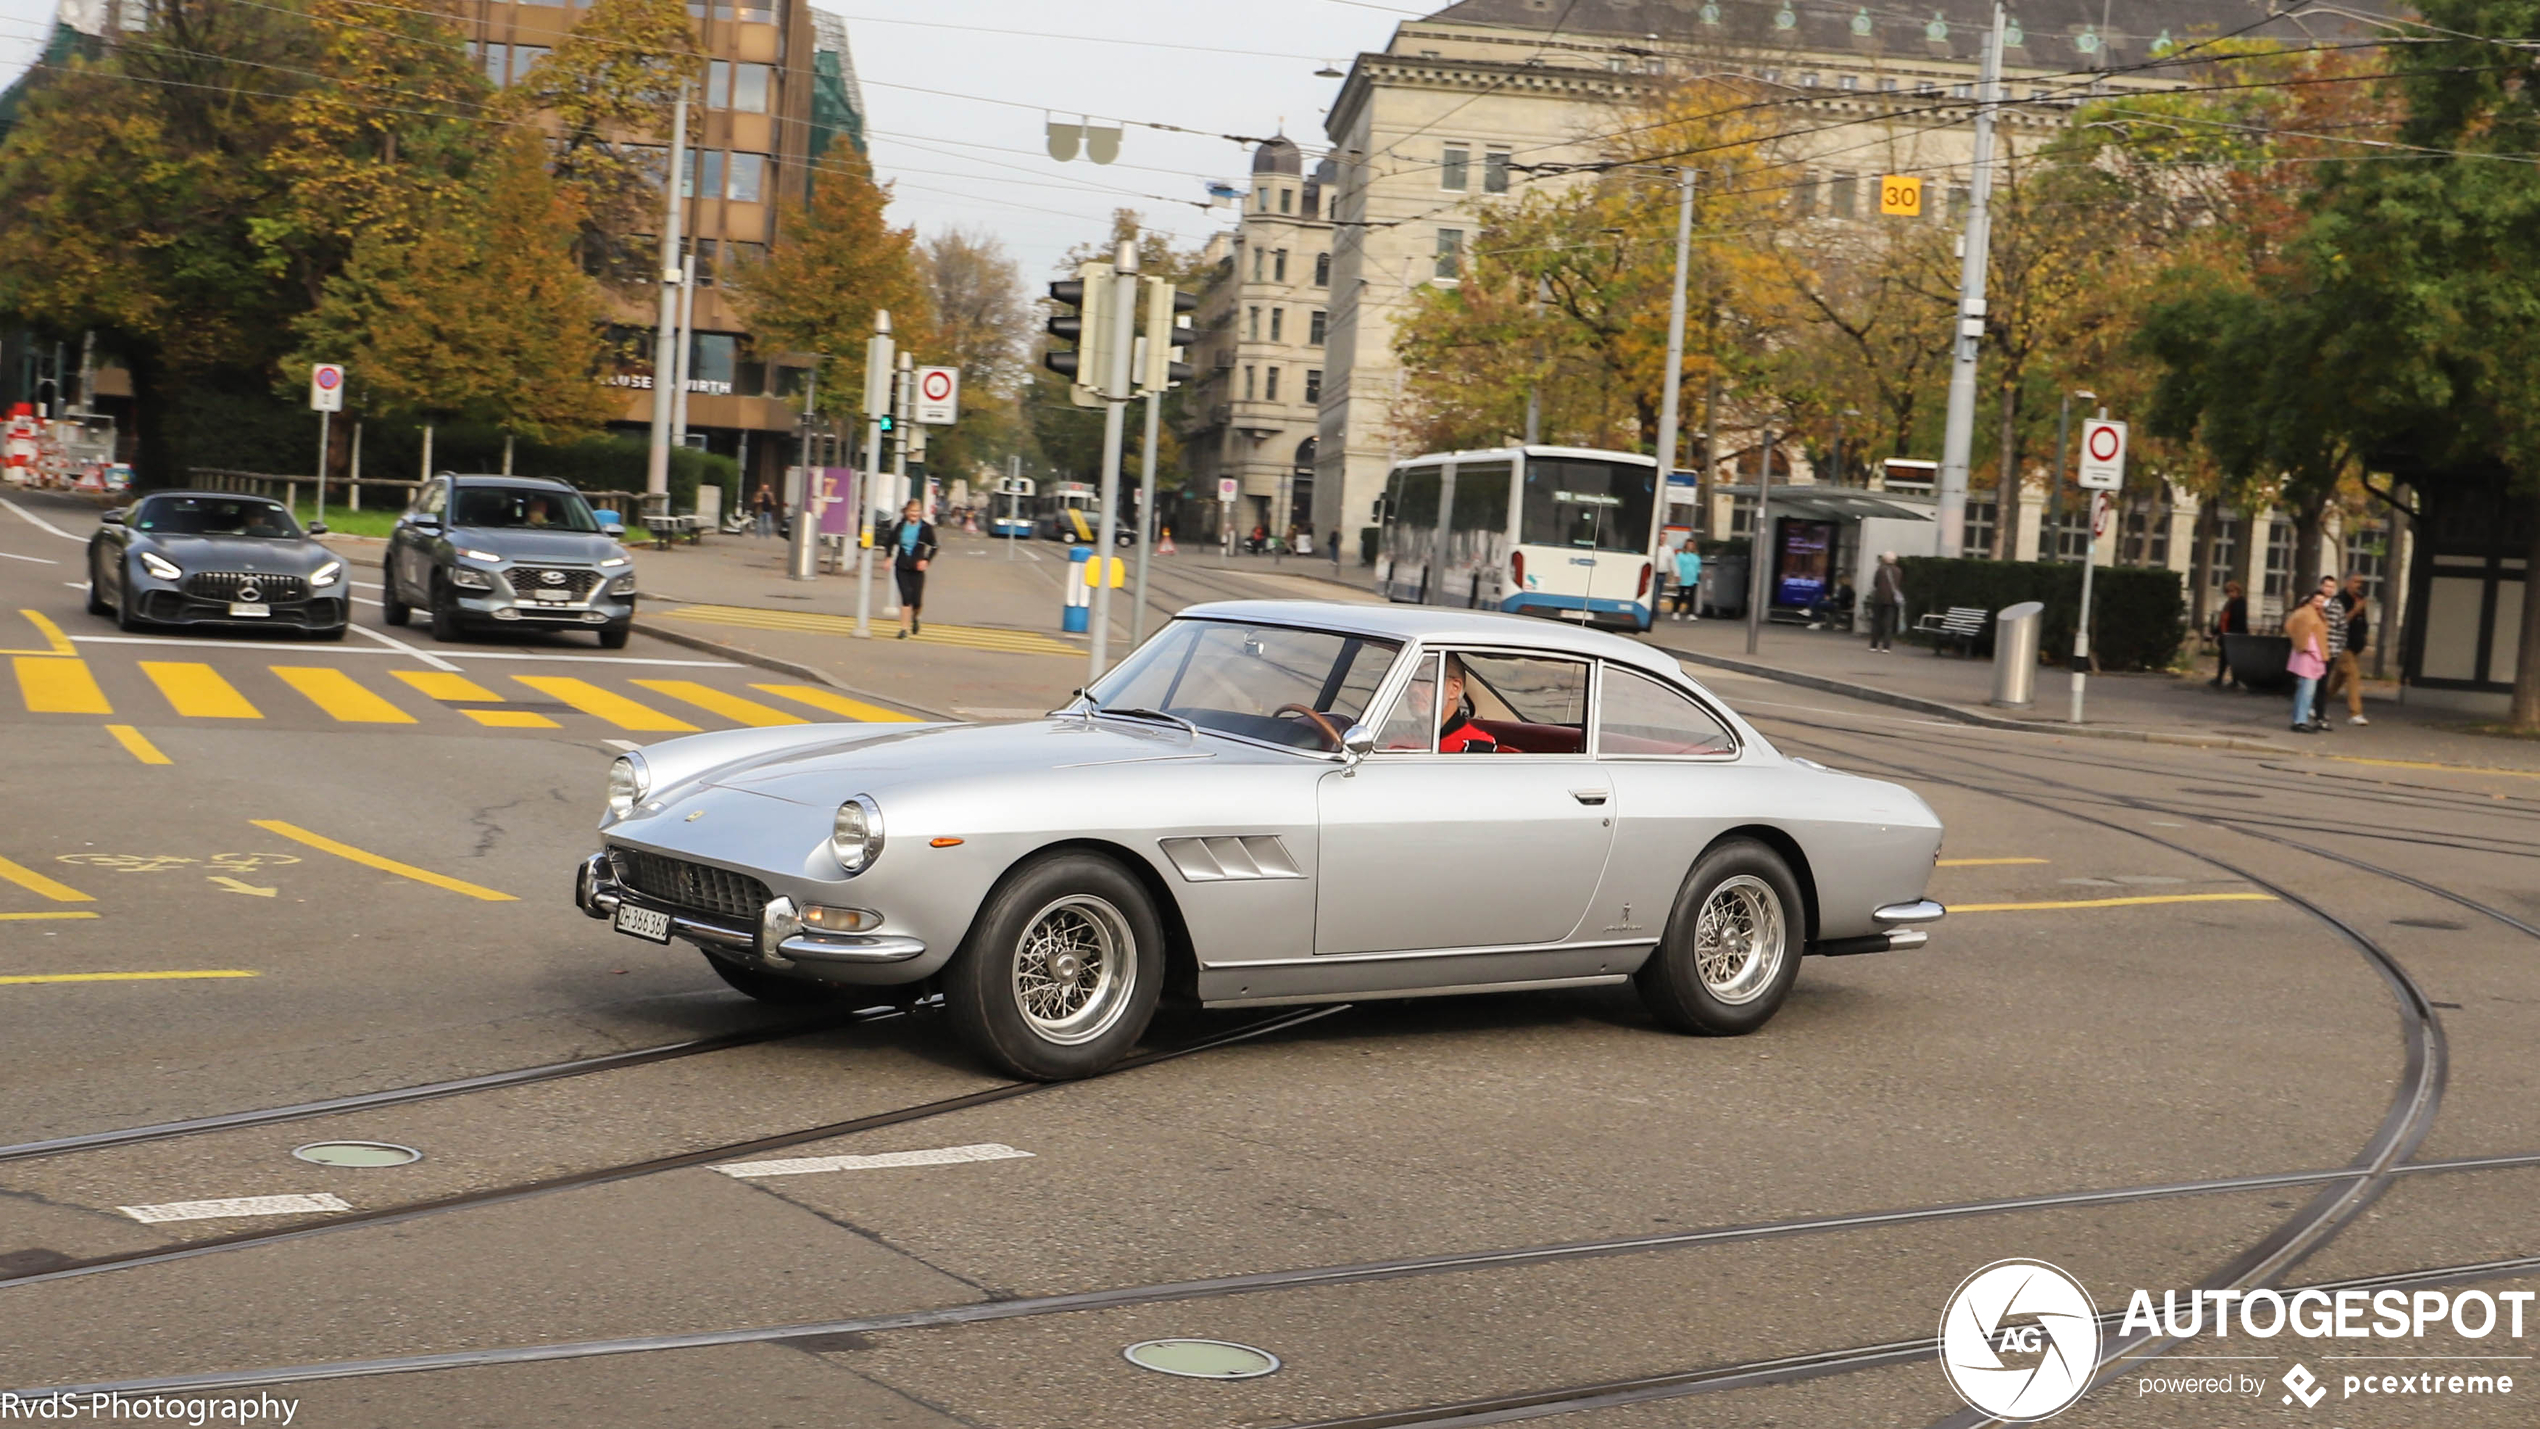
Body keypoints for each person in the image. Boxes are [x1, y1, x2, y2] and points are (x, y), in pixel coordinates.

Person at [884, 498, 937, 640]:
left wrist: (926, 560)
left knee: (917, 601)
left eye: (917, 511)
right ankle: (903, 629)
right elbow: (889, 542)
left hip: (917, 569)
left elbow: (934, 546)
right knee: (906, 598)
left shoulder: (926, 528)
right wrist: (889, 557)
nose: (914, 514)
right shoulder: (900, 527)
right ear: (906, 512)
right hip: (901, 566)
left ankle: (916, 616)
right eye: (912, 511)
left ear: (920, 513)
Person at [2284, 586, 2330, 734]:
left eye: (2322, 601)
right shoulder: (2306, 613)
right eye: (2317, 600)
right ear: (2311, 600)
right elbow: (2290, 626)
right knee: (2307, 690)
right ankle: (2300, 720)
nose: (2319, 603)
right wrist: (2302, 644)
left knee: (2304, 689)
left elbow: (2290, 626)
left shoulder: (2315, 613)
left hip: (2311, 656)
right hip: (2309, 656)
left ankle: (2299, 719)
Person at [2327, 573, 2371, 725]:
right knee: (2353, 676)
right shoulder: (2340, 600)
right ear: (2347, 582)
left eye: (2361, 582)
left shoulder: (2359, 599)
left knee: (2338, 679)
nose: (2358, 585)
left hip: (2354, 645)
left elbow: (2363, 622)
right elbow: (2341, 621)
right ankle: (2355, 713)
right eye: (2355, 581)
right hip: (2342, 644)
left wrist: (2364, 635)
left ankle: (2317, 703)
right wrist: (2355, 609)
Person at [2307, 575, 2347, 730]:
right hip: (2313, 650)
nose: (2329, 589)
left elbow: (2343, 628)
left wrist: (2337, 647)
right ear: (2321, 586)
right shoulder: (2313, 602)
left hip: (2330, 650)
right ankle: (2310, 712)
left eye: (2332, 587)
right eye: (2327, 586)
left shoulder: (2337, 606)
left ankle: (2320, 714)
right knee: (2311, 683)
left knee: (2323, 683)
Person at [1436, 656, 1498, 753]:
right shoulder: (1409, 734)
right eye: (1411, 681)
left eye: (1425, 680)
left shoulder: (1474, 745)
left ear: (1454, 688)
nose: (1414, 689)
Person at [2210, 580, 2248, 689]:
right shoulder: (2229, 603)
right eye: (2228, 592)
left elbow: (2238, 619)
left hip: (2235, 635)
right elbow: (2223, 619)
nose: (2230, 594)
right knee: (2223, 657)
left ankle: (2235, 680)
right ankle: (2219, 678)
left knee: (2233, 658)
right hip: (2226, 635)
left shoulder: (2240, 602)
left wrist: (2230, 633)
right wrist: (2217, 631)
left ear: (2237, 591)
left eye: (2232, 591)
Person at [1867, 551, 1904, 652]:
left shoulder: (1880, 570)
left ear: (1884, 559)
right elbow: (1898, 584)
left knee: (1877, 622)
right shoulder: (1898, 571)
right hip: (1892, 600)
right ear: (1894, 560)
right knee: (1888, 624)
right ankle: (1886, 647)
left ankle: (1873, 645)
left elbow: (1875, 583)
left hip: (1879, 599)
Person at [1672, 542, 1701, 620]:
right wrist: (1677, 575)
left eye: (1692, 545)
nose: (1690, 546)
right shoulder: (1680, 555)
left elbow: (1698, 567)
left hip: (1693, 578)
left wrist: (1698, 574)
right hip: (1683, 577)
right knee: (1681, 596)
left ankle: (1690, 613)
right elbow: (1677, 565)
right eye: (1689, 545)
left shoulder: (1696, 556)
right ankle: (1675, 612)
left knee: (1692, 597)